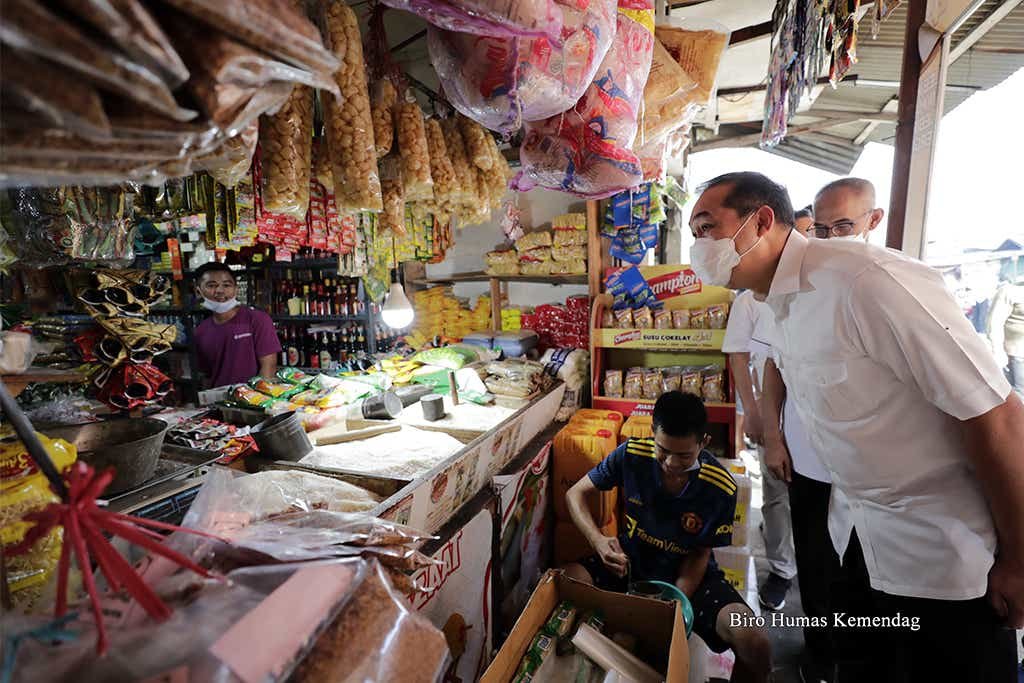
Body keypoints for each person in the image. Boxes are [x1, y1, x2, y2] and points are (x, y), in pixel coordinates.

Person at [688, 171, 1024, 683]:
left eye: (707, 227)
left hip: (945, 562)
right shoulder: (772, 303)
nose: (699, 246)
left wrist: (1020, 560)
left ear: (760, 222)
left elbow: (996, 413)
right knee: (860, 664)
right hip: (860, 539)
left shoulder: (866, 282)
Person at [562, 391, 772, 683]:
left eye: (684, 455)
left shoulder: (720, 486)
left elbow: (700, 554)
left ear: (704, 443)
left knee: (755, 642)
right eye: (663, 450)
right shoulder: (631, 455)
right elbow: (575, 494)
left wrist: (676, 601)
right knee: (567, 580)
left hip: (689, 576)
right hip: (630, 561)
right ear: (652, 434)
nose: (671, 463)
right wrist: (598, 541)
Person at [723, 284, 797, 612]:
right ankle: (782, 569)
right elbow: (741, 357)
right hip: (773, 417)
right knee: (777, 493)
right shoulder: (750, 300)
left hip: (815, 418)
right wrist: (750, 412)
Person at [193, 262, 281, 387]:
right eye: (211, 285)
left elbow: (268, 368)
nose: (220, 291)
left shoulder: (257, 319)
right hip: (218, 400)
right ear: (199, 291)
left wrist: (256, 400)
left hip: (253, 400)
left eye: (226, 285)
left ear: (236, 288)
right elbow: (207, 375)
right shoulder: (201, 331)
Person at [808, 177, 884, 242]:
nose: (830, 237)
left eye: (842, 227)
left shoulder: (887, 259)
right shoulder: (809, 257)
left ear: (874, 219)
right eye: (821, 230)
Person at [987, 280, 1024, 395]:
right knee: (1020, 392)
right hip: (1018, 354)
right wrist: (998, 351)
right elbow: (994, 323)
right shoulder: (1011, 291)